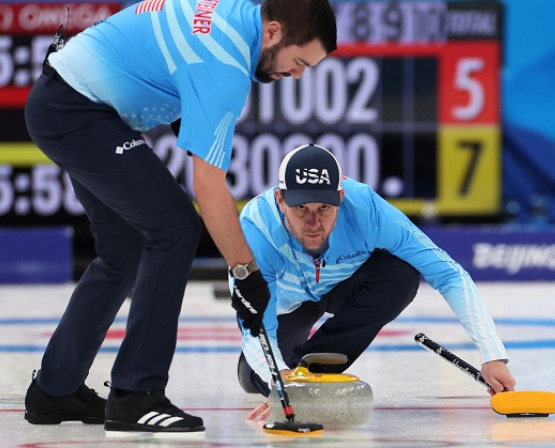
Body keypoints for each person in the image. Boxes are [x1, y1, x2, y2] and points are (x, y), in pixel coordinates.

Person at [23, 0, 338, 436]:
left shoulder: (236, 14)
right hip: (78, 112)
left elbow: (174, 63)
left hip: (70, 102)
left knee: (125, 249)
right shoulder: (225, 63)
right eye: (299, 62)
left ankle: (54, 390)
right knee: (174, 228)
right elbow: (207, 187)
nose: (299, 76)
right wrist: (246, 274)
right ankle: (137, 395)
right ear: (273, 33)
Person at [234, 143, 517, 418]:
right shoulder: (256, 229)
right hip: (287, 304)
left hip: (339, 284)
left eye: (324, 208)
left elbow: (448, 273)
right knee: (261, 374)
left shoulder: (368, 210)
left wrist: (492, 354)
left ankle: (309, 373)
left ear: (341, 197)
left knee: (401, 276)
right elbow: (255, 327)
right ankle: (269, 373)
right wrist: (279, 379)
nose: (313, 224)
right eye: (301, 209)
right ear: (282, 201)